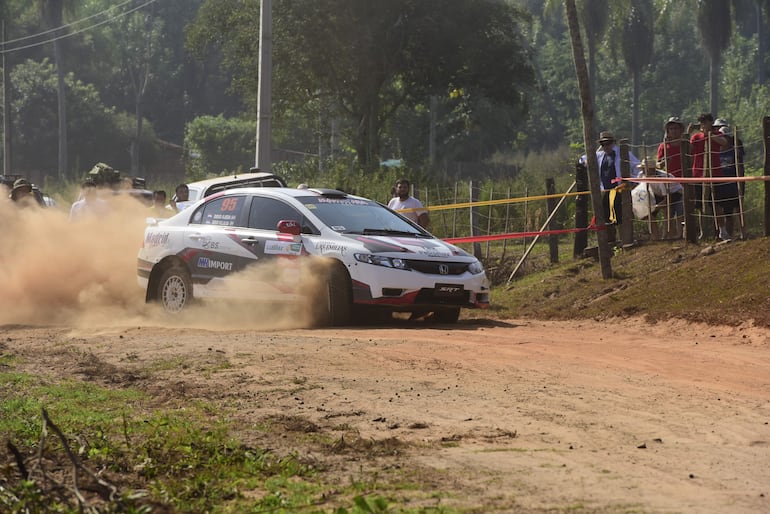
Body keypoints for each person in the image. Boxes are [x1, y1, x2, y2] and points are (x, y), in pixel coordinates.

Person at [583, 131, 641, 243]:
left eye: (608, 143)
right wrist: (586, 162)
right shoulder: (599, 156)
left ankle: (625, 240)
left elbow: (637, 166)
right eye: (603, 144)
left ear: (613, 142)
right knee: (606, 217)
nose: (606, 146)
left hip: (621, 190)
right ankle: (611, 242)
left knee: (621, 216)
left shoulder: (623, 154)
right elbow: (583, 159)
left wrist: (634, 180)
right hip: (605, 191)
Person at [689, 113, 729, 240]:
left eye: (706, 122)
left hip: (715, 174)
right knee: (701, 206)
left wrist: (710, 135)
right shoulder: (696, 137)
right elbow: (688, 150)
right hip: (698, 174)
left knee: (717, 204)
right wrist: (688, 133)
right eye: (702, 123)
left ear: (711, 123)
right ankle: (703, 232)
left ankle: (722, 231)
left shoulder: (717, 135)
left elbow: (724, 142)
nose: (704, 125)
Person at [632, 158, 683, 240]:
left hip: (675, 193)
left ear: (651, 169)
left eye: (644, 169)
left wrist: (656, 206)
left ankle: (675, 235)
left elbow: (667, 199)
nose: (642, 170)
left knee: (674, 213)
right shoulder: (641, 175)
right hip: (657, 194)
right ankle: (657, 237)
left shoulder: (661, 178)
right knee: (649, 214)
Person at [713, 118, 743, 240]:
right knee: (719, 208)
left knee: (735, 209)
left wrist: (739, 181)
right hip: (720, 183)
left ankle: (736, 233)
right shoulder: (714, 151)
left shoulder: (736, 150)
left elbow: (740, 167)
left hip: (733, 184)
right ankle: (722, 234)